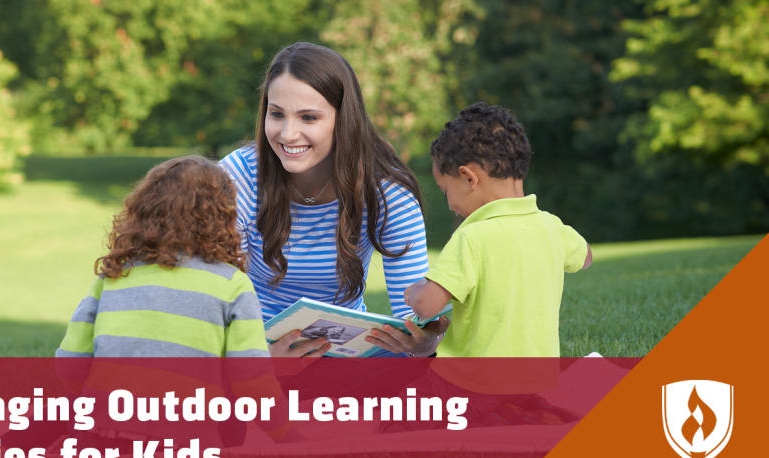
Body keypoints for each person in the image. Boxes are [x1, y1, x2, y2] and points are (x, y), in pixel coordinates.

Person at [220, 42, 446, 357]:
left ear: (343, 119)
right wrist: (257, 359)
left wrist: (423, 342)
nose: (287, 134)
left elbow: (412, 315)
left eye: (308, 118)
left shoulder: (386, 191)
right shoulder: (236, 178)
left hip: (348, 352)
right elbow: (216, 301)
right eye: (277, 114)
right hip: (254, 347)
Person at [388, 102, 593, 357]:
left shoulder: (471, 237)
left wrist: (416, 291)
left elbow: (427, 306)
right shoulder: (552, 227)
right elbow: (585, 256)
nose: (449, 204)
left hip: (472, 386)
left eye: (445, 191)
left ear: (468, 178)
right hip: (537, 383)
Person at [56, 155, 271, 358]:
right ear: (225, 218)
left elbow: (69, 363)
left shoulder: (114, 275)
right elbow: (251, 382)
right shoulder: (233, 284)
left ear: (142, 209)